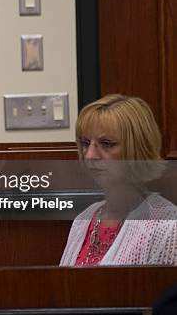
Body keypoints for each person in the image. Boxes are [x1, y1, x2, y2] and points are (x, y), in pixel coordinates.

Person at [60, 94, 177, 266]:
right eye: (85, 143)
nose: (90, 155)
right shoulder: (84, 218)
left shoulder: (168, 227)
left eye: (106, 143)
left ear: (137, 149)